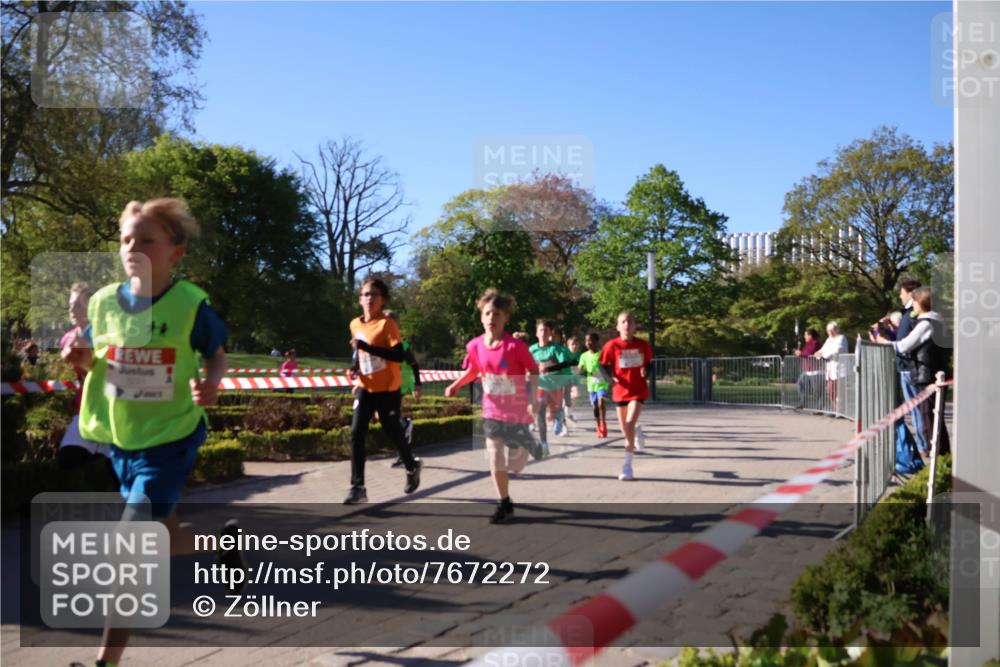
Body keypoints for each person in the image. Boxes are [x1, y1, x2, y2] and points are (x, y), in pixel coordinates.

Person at [62, 198, 236, 667]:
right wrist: (82, 360)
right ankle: (224, 544)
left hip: (170, 440)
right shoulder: (101, 303)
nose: (133, 247)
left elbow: (216, 353)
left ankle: (106, 661)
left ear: (175, 252)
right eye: (126, 240)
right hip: (123, 442)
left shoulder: (189, 304)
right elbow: (99, 357)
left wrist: (212, 383)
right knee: (165, 538)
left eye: (147, 240)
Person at [444, 289, 542, 523]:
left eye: (497, 314)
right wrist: (456, 384)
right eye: (487, 313)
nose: (491, 318)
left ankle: (527, 441)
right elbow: (474, 370)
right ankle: (504, 503)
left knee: (517, 466)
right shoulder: (475, 346)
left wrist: (533, 398)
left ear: (506, 318)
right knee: (494, 453)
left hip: (516, 411)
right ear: (481, 317)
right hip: (492, 409)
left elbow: (534, 370)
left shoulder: (515, 347)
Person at [343, 278, 422, 504]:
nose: (369, 298)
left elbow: (399, 356)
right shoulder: (354, 324)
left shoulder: (387, 324)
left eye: (374, 295)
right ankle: (358, 488)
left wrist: (366, 348)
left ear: (382, 300)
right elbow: (362, 354)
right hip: (365, 387)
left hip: (388, 389)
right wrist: (354, 368)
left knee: (393, 431)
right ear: (360, 299)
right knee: (357, 432)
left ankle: (411, 466)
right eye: (366, 294)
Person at [878, 286, 951, 456]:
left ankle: (937, 457)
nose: (913, 305)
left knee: (929, 418)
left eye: (915, 301)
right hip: (934, 374)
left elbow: (904, 345)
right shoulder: (938, 321)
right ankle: (942, 456)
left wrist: (884, 342)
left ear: (922, 302)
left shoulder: (926, 323)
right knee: (934, 417)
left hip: (927, 375)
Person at [57, 282, 115, 474]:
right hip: (85, 409)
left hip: (113, 410)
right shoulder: (67, 339)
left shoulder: (109, 336)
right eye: (70, 305)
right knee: (69, 460)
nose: (72, 310)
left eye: (79, 305)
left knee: (113, 471)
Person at [600, 311, 653, 481]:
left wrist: (647, 371)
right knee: (626, 430)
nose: (627, 324)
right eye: (623, 321)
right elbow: (602, 366)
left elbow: (649, 364)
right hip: (620, 391)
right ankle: (636, 432)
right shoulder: (611, 345)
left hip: (637, 390)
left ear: (635, 325)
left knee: (629, 422)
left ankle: (627, 466)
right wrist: (611, 378)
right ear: (618, 326)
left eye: (630, 321)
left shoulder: (643, 345)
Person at [892, 279, 929, 455]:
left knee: (916, 410)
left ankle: (924, 446)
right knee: (916, 410)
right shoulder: (909, 315)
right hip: (907, 367)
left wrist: (887, 342)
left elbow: (906, 343)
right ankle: (924, 445)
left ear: (910, 293)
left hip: (910, 368)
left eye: (902, 292)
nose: (900, 295)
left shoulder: (914, 315)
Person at [384, 310, 423, 468]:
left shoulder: (402, 345)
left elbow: (414, 365)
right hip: (385, 384)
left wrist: (417, 385)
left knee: (390, 420)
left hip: (399, 384)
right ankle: (405, 425)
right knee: (388, 419)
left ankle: (402, 453)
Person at [530, 320, 574, 451]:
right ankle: (544, 443)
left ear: (550, 333)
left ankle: (559, 416)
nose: (543, 333)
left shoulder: (555, 349)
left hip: (556, 386)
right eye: (541, 330)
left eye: (546, 330)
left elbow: (564, 364)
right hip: (541, 386)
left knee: (554, 413)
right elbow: (527, 365)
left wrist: (549, 368)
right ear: (536, 333)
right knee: (540, 414)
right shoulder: (532, 349)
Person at [578, 332, 610, 437]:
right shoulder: (584, 356)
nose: (588, 343)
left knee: (601, 403)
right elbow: (581, 369)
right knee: (595, 406)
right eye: (586, 341)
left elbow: (608, 366)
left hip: (602, 383)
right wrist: (580, 370)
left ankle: (603, 423)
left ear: (597, 342)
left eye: (591, 340)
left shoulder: (602, 354)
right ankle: (598, 425)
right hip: (591, 384)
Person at [814, 321, 849, 409]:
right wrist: (819, 353)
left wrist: (824, 354)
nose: (829, 332)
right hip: (830, 370)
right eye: (828, 330)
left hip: (840, 370)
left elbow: (837, 350)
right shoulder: (828, 339)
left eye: (831, 330)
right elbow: (822, 350)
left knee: (839, 392)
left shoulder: (841, 338)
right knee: (830, 391)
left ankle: (840, 410)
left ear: (836, 329)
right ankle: (835, 408)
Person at [793, 328, 824, 409]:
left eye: (806, 335)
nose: (804, 337)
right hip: (807, 371)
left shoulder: (816, 343)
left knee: (817, 390)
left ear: (810, 336)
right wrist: (800, 353)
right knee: (800, 384)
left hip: (816, 371)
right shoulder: (807, 344)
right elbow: (805, 353)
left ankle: (819, 408)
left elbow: (809, 352)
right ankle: (803, 402)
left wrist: (800, 353)